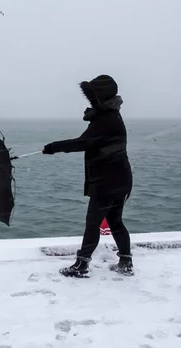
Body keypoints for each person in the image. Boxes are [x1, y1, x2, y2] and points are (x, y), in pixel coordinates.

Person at [42, 75, 134, 277]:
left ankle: (81, 265)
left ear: (99, 98)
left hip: (107, 182)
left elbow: (82, 143)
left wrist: (53, 148)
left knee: (93, 223)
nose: (90, 101)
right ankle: (126, 263)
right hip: (120, 179)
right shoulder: (110, 116)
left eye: (93, 97)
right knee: (116, 221)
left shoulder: (106, 120)